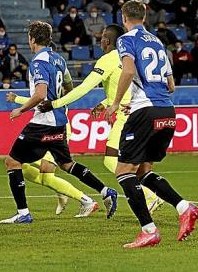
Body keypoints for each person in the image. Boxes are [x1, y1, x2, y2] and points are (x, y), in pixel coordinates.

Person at [0, 21, 118, 224]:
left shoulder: (38, 62)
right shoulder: (59, 60)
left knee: (12, 162)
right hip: (60, 121)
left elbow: (40, 94)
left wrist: (20, 109)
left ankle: (23, 212)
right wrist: (60, 105)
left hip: (42, 122)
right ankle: (105, 190)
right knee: (66, 164)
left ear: (32, 39)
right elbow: (69, 86)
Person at [38, 24, 164, 213]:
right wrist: (106, 103)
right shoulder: (131, 57)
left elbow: (83, 88)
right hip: (148, 111)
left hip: (127, 116)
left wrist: (55, 104)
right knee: (138, 163)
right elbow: (130, 87)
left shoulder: (108, 60)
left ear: (106, 41)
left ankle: (150, 197)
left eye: (102, 38)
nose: (100, 41)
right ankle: (156, 196)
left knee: (112, 161)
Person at [105, 0, 198, 248]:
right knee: (142, 171)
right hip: (166, 110)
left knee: (123, 171)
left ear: (124, 17)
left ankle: (149, 231)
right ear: (145, 16)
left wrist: (116, 103)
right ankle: (184, 206)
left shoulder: (126, 39)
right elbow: (170, 86)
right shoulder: (158, 42)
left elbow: (127, 72)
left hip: (145, 111)